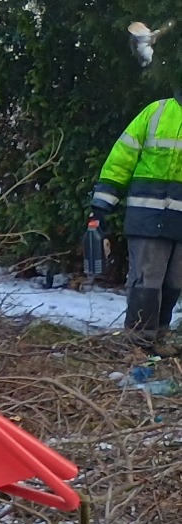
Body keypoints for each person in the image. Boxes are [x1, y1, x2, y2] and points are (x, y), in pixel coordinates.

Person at [93, 94, 182, 348]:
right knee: (147, 283)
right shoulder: (156, 112)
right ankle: (137, 345)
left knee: (173, 284)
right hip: (147, 218)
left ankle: (160, 340)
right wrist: (101, 207)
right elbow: (120, 161)